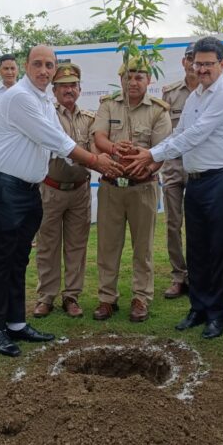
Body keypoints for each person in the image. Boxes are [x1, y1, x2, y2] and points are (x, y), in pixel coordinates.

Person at [0, 45, 120, 357]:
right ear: (25, 66)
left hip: (29, 188)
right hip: (4, 187)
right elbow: (57, 141)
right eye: (38, 64)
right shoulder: (19, 97)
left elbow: (60, 146)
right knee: (2, 260)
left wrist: (103, 159)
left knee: (19, 259)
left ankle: (16, 324)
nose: (44, 71)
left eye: (49, 65)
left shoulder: (43, 98)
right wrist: (97, 162)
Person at [125, 36, 223, 339]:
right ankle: (199, 307)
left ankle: (218, 313)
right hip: (197, 181)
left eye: (208, 64)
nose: (201, 69)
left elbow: (197, 135)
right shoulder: (195, 97)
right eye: (197, 63)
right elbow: (180, 133)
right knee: (198, 248)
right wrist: (152, 162)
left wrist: (151, 154)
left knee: (219, 249)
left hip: (222, 179)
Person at [91, 58, 172, 323]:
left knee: (143, 247)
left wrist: (148, 168)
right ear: (121, 80)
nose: (133, 82)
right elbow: (98, 137)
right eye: (128, 77)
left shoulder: (159, 111)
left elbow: (162, 150)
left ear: (149, 80)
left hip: (143, 188)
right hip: (111, 187)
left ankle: (141, 298)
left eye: (139, 77)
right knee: (107, 246)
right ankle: (106, 298)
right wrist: (113, 149)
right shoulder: (108, 105)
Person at [33, 63, 94, 319]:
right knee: (47, 245)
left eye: (73, 85)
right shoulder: (46, 114)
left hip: (80, 190)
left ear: (80, 89)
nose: (69, 90)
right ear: (54, 90)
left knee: (76, 245)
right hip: (50, 188)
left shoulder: (90, 119)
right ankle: (46, 296)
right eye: (63, 86)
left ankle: (71, 296)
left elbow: (94, 151)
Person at [159, 42, 197, 299]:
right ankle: (178, 276)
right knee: (173, 224)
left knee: (197, 224)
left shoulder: (211, 93)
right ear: (184, 62)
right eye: (190, 58)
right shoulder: (170, 94)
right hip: (173, 169)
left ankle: (197, 275)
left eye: (199, 59)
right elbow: (163, 133)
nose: (194, 64)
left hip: (199, 169)